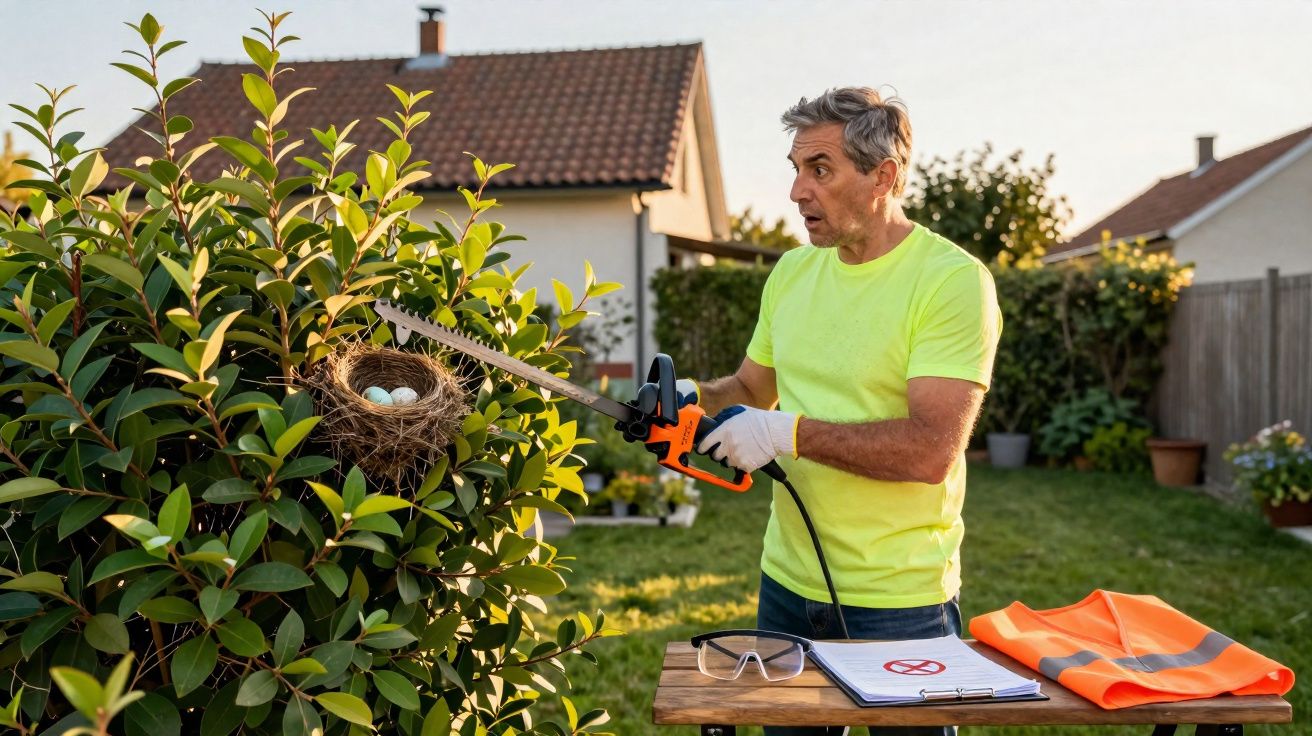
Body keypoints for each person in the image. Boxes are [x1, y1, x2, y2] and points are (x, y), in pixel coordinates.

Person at [681, 87, 1003, 736]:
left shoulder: (949, 282)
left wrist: (783, 433)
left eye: (819, 170)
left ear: (883, 176)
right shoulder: (793, 274)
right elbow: (750, 386)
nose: (798, 192)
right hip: (787, 587)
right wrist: (690, 398)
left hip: (901, 602)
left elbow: (929, 450)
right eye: (796, 170)